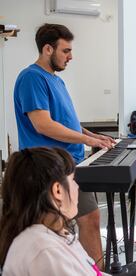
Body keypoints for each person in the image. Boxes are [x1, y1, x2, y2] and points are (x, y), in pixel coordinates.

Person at [13, 23, 114, 269]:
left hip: (71, 163)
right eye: (66, 51)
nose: (71, 56)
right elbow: (43, 125)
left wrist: (94, 136)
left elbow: (68, 122)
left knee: (89, 218)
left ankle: (94, 272)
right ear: (48, 49)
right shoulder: (32, 77)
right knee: (57, 229)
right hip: (49, 167)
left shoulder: (56, 81)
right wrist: (88, 140)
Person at [0, 147, 109, 275]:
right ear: (57, 190)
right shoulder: (44, 251)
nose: (77, 186)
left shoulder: (53, 236)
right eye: (73, 180)